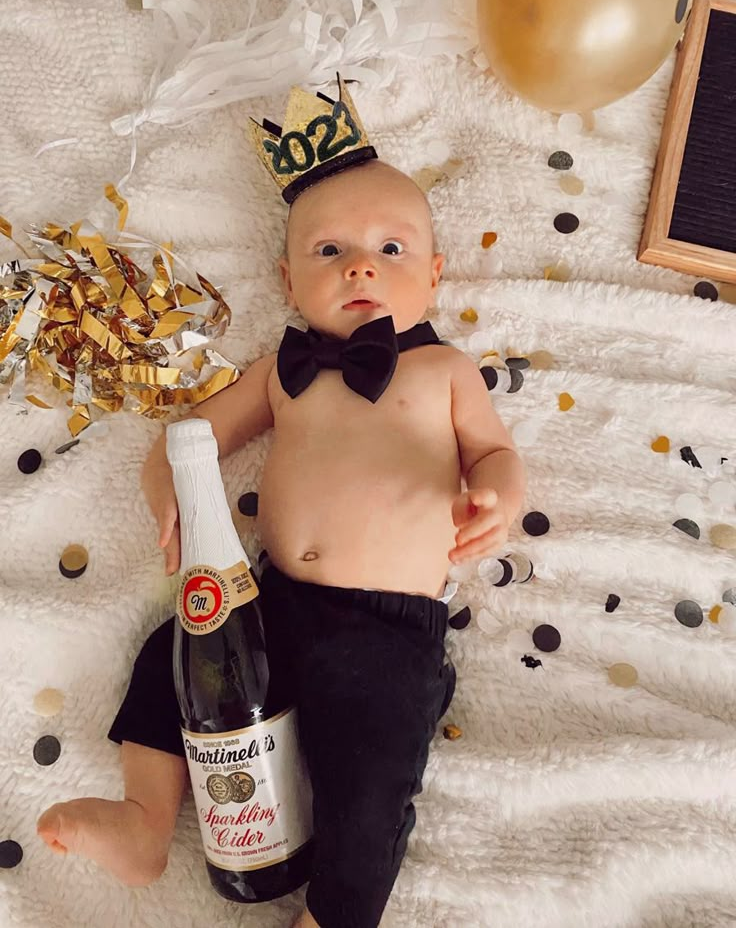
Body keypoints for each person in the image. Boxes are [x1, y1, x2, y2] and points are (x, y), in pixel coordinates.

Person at [36, 79, 526, 928]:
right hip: (264, 601)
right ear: (286, 277)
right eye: (330, 251)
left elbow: (496, 450)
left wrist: (498, 495)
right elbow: (193, 437)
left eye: (392, 249)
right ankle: (148, 819)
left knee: (373, 782)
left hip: (387, 631)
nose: (361, 265)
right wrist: (169, 496)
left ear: (437, 274)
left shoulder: (444, 372)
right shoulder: (279, 370)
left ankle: (331, 915)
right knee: (168, 659)